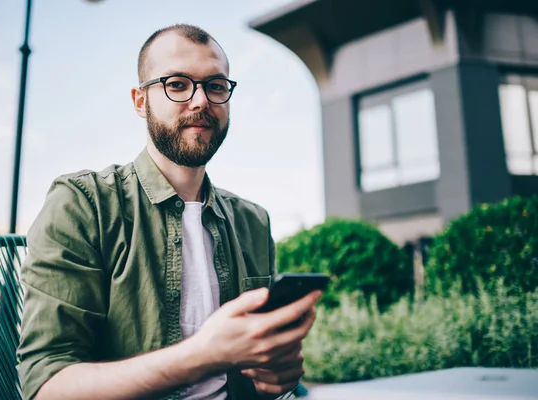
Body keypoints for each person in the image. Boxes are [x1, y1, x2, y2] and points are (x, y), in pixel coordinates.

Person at [16, 23, 322, 400]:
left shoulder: (252, 221)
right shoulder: (84, 204)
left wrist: (277, 374)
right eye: (177, 84)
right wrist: (202, 356)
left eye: (216, 85)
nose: (201, 101)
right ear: (140, 101)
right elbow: (47, 388)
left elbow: (266, 373)